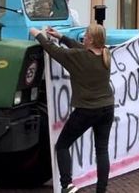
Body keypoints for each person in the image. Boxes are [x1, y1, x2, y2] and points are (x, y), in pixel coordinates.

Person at [30, 24, 115, 193]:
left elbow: (52, 50)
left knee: (62, 145)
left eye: (85, 34)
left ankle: (66, 185)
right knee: (102, 150)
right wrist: (61, 37)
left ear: (90, 39)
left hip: (87, 110)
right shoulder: (106, 54)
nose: (83, 36)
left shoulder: (79, 57)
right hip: (107, 107)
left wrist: (37, 34)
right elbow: (81, 50)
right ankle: (101, 189)